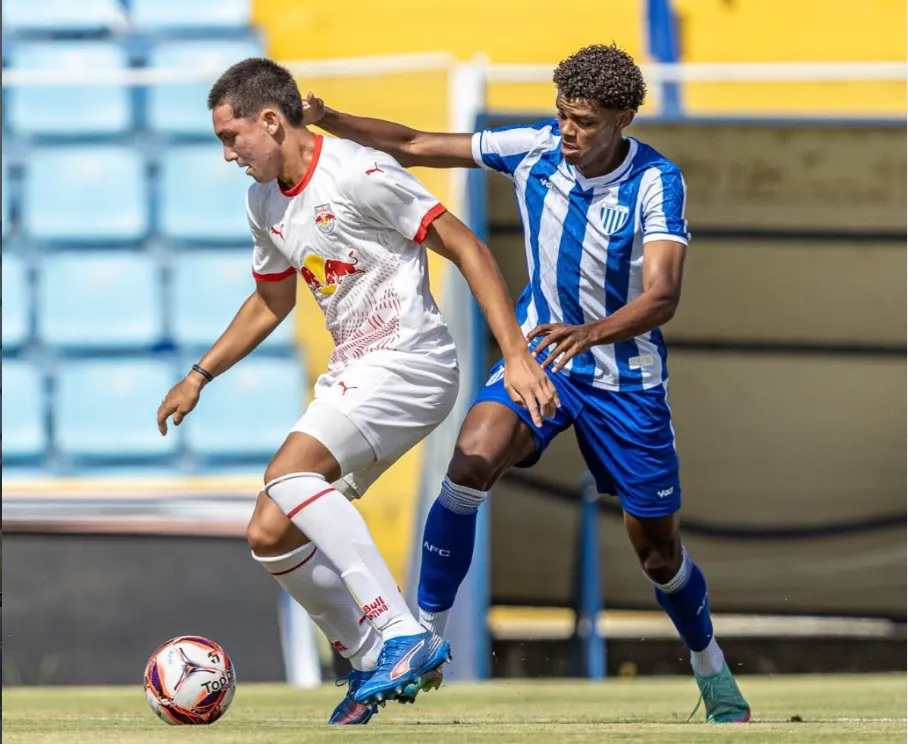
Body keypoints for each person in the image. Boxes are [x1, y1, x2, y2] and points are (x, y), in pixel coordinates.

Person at [304, 43, 751, 723]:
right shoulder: (534, 149)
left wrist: (590, 333)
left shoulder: (657, 181)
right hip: (539, 358)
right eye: (562, 115)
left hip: (625, 381)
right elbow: (417, 142)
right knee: (470, 460)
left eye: (586, 121)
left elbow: (662, 296)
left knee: (656, 553)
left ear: (623, 117)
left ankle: (710, 665)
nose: (569, 131)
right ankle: (418, 640)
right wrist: (331, 117)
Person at [155, 57, 557, 726]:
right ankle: (368, 652)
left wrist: (514, 356)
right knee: (270, 531)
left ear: (272, 121)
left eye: (232, 138)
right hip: (356, 371)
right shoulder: (263, 202)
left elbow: (468, 247)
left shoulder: (359, 174)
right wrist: (200, 376)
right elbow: (270, 302)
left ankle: (399, 632)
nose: (228, 154)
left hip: (412, 360)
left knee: (288, 473)